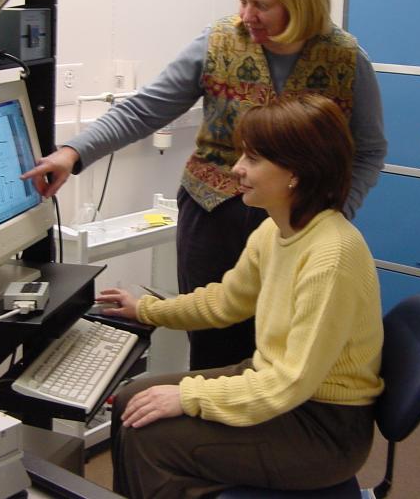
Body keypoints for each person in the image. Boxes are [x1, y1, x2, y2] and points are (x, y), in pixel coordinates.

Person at [21, 0, 386, 370]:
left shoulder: (345, 59)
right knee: (213, 343)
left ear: (301, 2)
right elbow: (144, 109)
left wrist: (338, 211)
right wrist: (73, 152)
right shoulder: (218, 42)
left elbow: (368, 149)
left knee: (284, 345)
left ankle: (270, 429)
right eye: (242, 0)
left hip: (299, 221)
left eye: (262, 5)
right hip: (215, 215)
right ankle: (206, 424)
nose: (247, 15)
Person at [95, 94, 384, 498]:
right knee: (131, 400)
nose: (237, 169)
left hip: (323, 429)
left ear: (295, 174)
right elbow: (224, 302)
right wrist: (146, 309)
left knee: (150, 437)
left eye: (253, 159)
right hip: (279, 388)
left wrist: (189, 396)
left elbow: (290, 382)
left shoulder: (330, 257)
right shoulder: (276, 231)